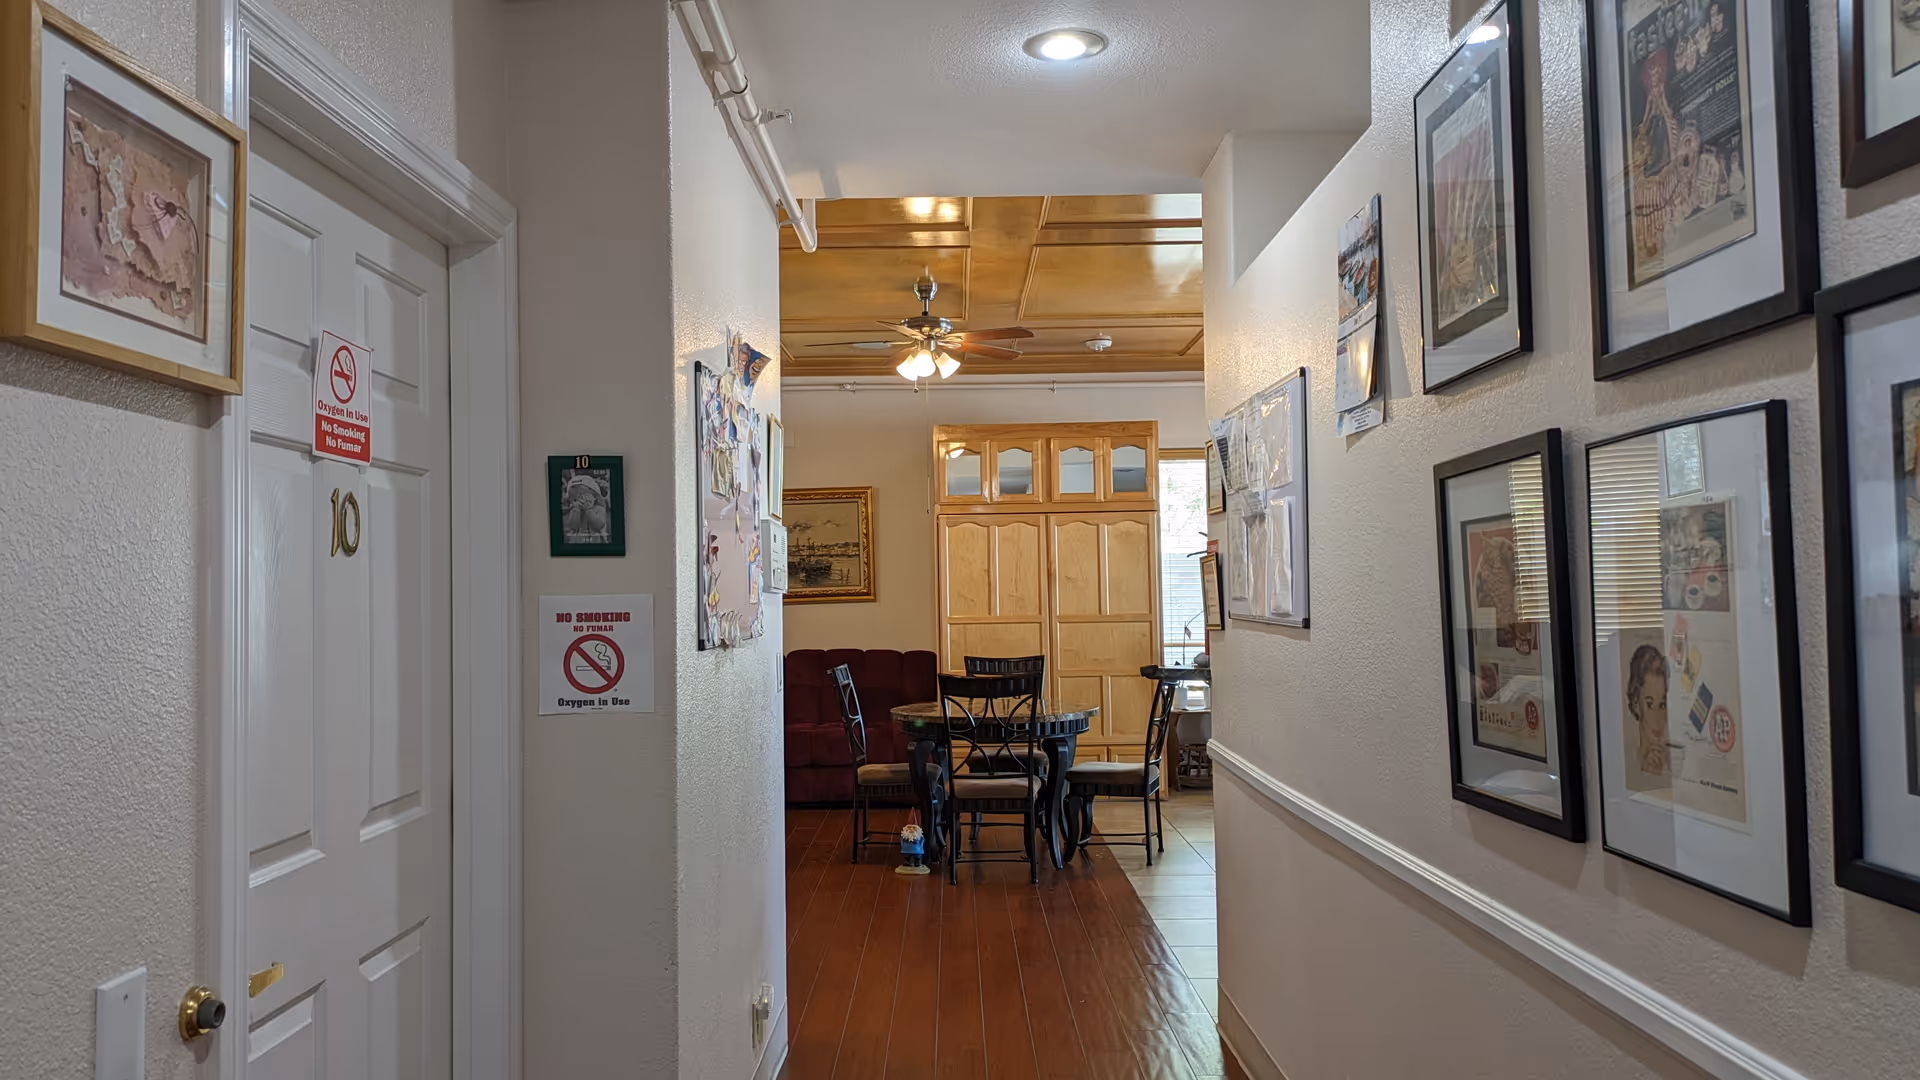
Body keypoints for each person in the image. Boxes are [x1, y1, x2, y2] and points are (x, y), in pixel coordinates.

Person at [1626, 643, 1670, 777]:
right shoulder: (1629, 762)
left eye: (1662, 705)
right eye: (1650, 705)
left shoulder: (1675, 765)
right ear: (1636, 704)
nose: (1658, 718)